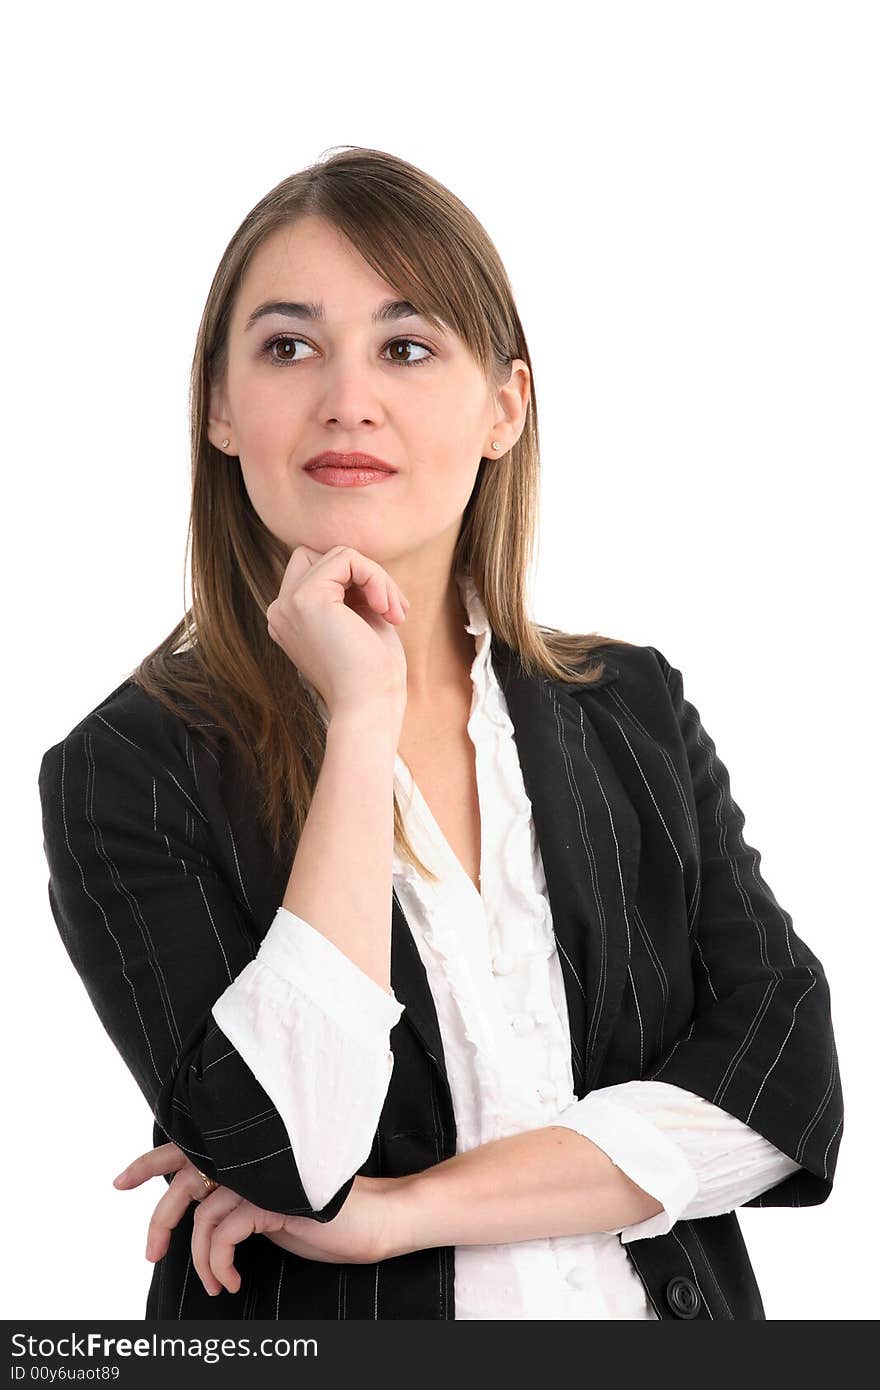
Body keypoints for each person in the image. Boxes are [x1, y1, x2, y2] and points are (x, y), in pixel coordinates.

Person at [38, 146, 843, 1321]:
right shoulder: (129, 767)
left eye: (406, 348)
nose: (345, 399)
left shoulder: (631, 709)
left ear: (504, 407)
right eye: (286, 346)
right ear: (219, 405)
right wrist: (360, 722)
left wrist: (404, 1212)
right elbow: (282, 1150)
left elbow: (782, 1084)